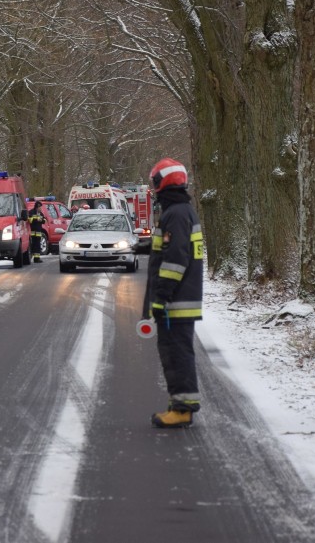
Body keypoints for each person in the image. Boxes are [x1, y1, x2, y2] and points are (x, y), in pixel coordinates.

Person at [142, 158, 204, 428]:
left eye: (155, 182)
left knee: (176, 353)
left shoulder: (175, 214)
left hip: (175, 301)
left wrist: (161, 297)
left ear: (162, 182)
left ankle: (182, 409)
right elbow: (170, 251)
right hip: (181, 299)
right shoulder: (181, 212)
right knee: (177, 352)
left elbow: (175, 260)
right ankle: (179, 403)